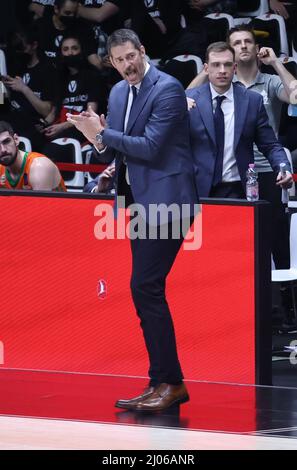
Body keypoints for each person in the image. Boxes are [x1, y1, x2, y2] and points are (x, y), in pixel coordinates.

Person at [67, 28, 198, 412]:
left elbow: (153, 147)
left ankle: (171, 382)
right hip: (137, 199)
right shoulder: (119, 92)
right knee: (145, 289)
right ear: (112, 62)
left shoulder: (169, 88)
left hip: (170, 200)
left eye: (131, 57)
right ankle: (159, 380)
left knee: (145, 286)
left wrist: (104, 132)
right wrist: (96, 141)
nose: (127, 66)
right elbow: (118, 144)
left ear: (142, 51)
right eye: (119, 60)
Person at [186, 41, 293, 200]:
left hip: (238, 190)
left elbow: (270, 144)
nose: (222, 70)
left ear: (234, 68)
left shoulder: (252, 101)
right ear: (206, 69)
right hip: (195, 190)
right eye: (216, 65)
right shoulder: (189, 100)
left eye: (227, 65)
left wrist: (283, 167)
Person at [0, 120, 66, 191]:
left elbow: (41, 202)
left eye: (6, 142)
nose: (3, 150)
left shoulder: (39, 166)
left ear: (16, 140)